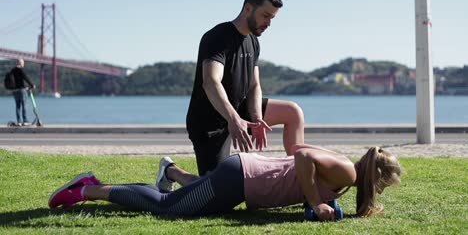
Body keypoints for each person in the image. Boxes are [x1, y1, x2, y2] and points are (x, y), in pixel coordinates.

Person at [49, 145, 401, 221]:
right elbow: (302, 157)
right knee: (168, 208)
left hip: (243, 178)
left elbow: (302, 157)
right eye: (384, 184)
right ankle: (87, 188)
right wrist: (315, 201)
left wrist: (314, 200)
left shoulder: (345, 176)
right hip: (241, 178)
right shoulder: (349, 173)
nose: (382, 191)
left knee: (188, 197)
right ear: (376, 176)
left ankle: (170, 172)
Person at [186, 0, 304, 178]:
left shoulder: (253, 41)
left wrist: (257, 118)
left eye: (272, 18)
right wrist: (233, 120)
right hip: (210, 121)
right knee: (215, 190)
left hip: (240, 110)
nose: (268, 23)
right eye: (265, 16)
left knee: (293, 112)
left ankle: (301, 177)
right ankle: (171, 171)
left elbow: (254, 85)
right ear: (248, 8)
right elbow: (210, 81)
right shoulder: (218, 37)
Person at [11, 58, 35, 126]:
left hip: (15, 91)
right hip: (21, 91)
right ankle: (25, 121)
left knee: (17, 106)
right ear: (20, 63)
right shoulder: (21, 70)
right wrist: (32, 85)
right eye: (23, 63)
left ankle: (19, 121)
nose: (23, 64)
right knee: (24, 106)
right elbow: (26, 78)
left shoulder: (13, 70)